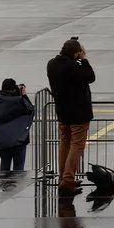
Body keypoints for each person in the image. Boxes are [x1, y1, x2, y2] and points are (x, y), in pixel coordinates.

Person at [46, 37, 95, 193]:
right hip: (78, 112)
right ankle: (67, 180)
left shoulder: (51, 64)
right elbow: (90, 76)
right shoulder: (73, 66)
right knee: (77, 145)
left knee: (65, 144)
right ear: (76, 54)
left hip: (63, 111)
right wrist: (84, 60)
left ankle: (63, 177)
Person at [0, 78, 34, 175]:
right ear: (13, 89)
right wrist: (23, 95)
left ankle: (4, 184)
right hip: (19, 139)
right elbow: (30, 109)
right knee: (18, 167)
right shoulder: (19, 101)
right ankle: (17, 188)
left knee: (4, 164)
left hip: (3, 139)